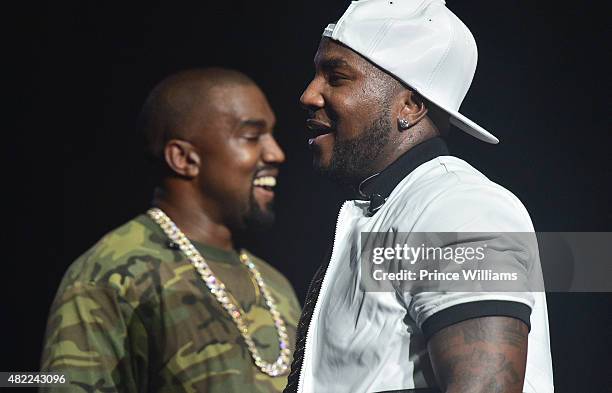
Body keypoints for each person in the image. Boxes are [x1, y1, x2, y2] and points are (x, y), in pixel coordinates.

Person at [284, 1, 554, 393]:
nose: (309, 94)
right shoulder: (392, 209)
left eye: (336, 77)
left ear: (410, 105)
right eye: (316, 74)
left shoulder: (457, 208)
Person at [41, 68, 301, 392]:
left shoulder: (276, 286)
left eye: (271, 135)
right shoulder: (111, 275)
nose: (276, 153)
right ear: (183, 158)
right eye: (251, 136)